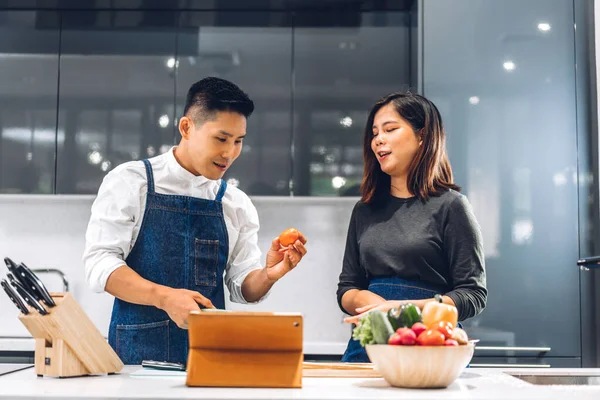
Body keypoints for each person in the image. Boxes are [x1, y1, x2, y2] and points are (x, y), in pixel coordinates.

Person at [83, 77, 307, 365]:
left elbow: (242, 288)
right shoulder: (132, 182)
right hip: (136, 362)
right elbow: (100, 264)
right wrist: (164, 298)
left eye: (238, 141)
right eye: (221, 139)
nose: (230, 153)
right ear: (187, 127)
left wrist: (269, 274)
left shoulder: (235, 203)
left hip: (211, 359)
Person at [337, 91, 486, 362]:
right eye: (374, 133)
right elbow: (346, 288)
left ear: (422, 136)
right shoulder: (364, 209)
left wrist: (406, 310)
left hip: (430, 344)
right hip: (368, 344)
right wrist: (374, 306)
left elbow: (473, 294)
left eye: (390, 129)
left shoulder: (452, 206)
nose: (378, 139)